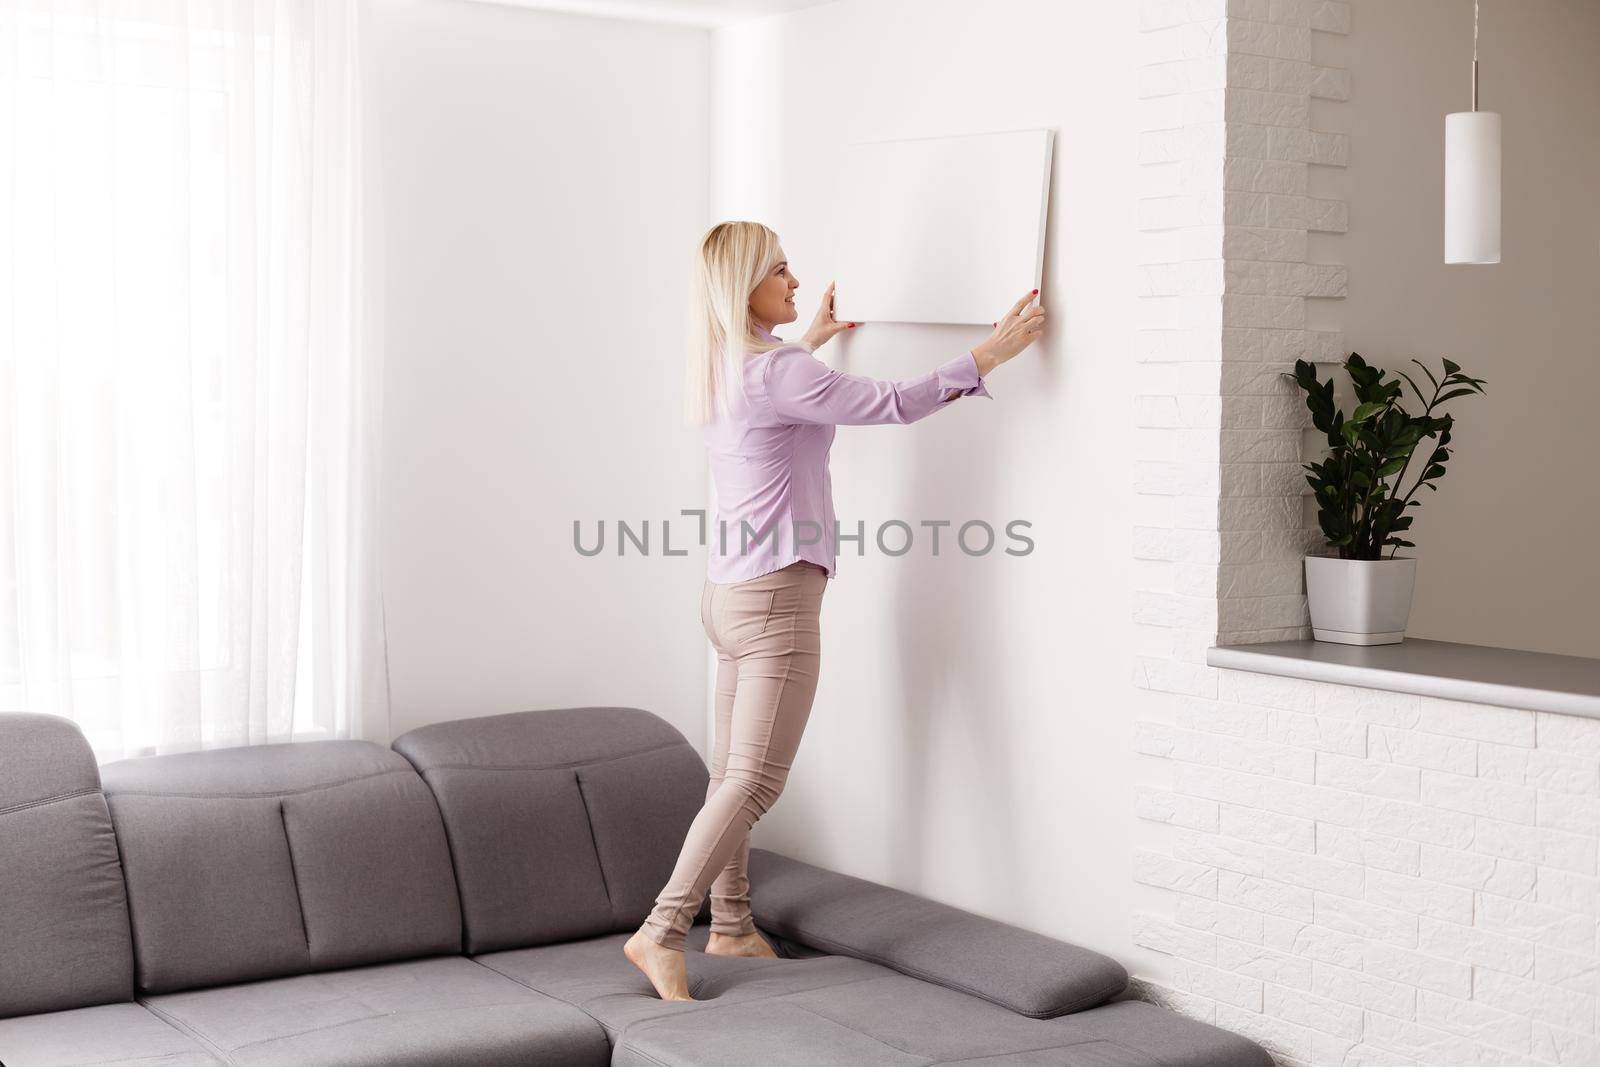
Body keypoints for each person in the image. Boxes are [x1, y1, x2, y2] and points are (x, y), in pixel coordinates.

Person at [623, 220, 1045, 1000]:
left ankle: (734, 923)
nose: (793, 279)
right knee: (753, 780)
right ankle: (660, 928)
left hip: (725, 598)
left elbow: (779, 398)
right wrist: (990, 354)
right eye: (779, 270)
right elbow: (890, 402)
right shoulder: (776, 370)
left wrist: (809, 338)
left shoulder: (721, 364)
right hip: (778, 596)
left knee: (730, 776)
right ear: (741, 286)